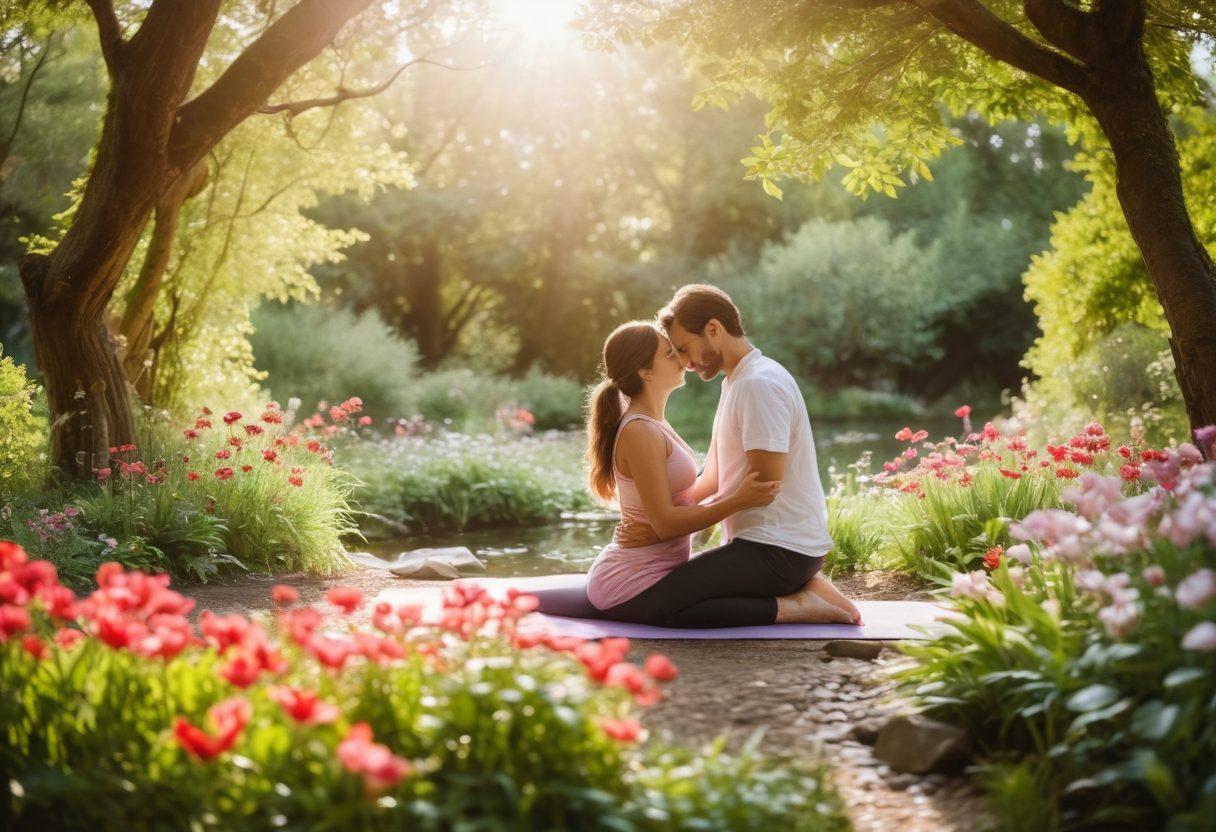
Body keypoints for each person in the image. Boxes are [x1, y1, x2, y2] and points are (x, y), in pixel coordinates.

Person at [530, 316, 856, 626]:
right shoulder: (640, 431)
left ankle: (802, 598)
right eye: (670, 353)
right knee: (670, 615)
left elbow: (676, 503)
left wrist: (663, 523)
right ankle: (797, 607)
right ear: (645, 372)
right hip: (629, 582)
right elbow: (667, 522)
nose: (682, 360)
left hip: (656, 566)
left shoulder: (655, 421)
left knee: (689, 601)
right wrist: (734, 501)